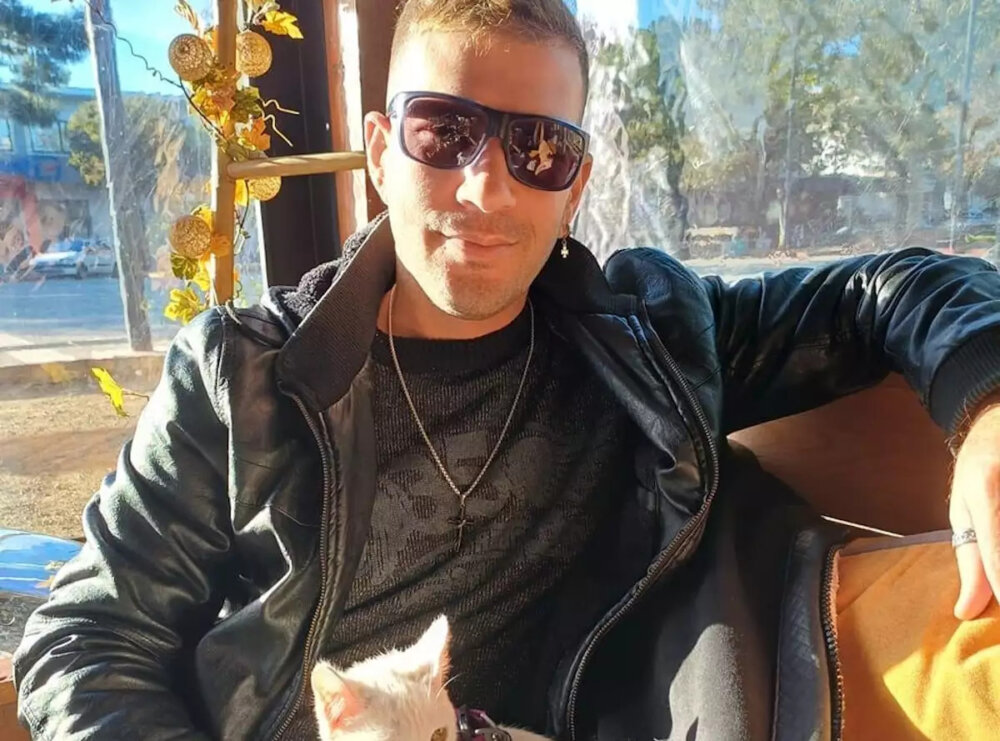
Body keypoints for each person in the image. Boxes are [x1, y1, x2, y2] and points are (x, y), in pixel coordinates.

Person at [14, 1, 1000, 739]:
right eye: (444, 132)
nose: (487, 187)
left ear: (575, 187)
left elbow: (890, 288)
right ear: (380, 153)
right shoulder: (241, 379)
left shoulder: (650, 345)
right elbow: (87, 639)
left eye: (540, 148)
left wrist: (986, 411)